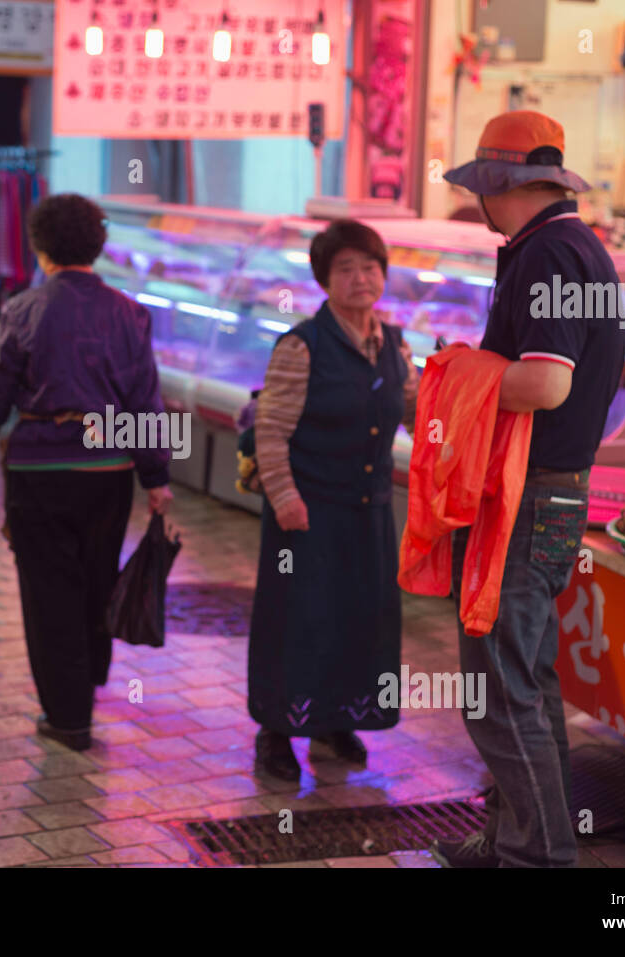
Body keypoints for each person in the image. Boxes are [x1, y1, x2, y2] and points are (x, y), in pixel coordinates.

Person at [431, 111, 625, 868]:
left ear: (494, 184)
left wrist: (451, 381)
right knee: (528, 681)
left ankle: (540, 857)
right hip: (551, 494)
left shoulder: (549, 255)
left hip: (528, 497)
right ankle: (519, 841)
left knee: (502, 689)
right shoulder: (570, 248)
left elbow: (544, 383)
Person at [0, 193, 173, 752]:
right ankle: (87, 685)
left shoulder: (23, 310)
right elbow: (147, 400)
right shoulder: (129, 312)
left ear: (39, 247)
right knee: (98, 577)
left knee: (49, 590)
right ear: (97, 247)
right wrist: (157, 477)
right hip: (109, 471)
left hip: (40, 468)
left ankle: (68, 714)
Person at [248, 220, 418, 782]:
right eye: (345, 269)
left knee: (357, 618)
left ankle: (333, 719)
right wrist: (286, 498)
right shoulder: (301, 346)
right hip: (307, 511)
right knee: (298, 619)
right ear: (324, 280)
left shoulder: (395, 343)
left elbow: (418, 414)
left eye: (370, 267)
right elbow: (271, 430)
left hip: (367, 510)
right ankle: (277, 730)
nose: (360, 278)